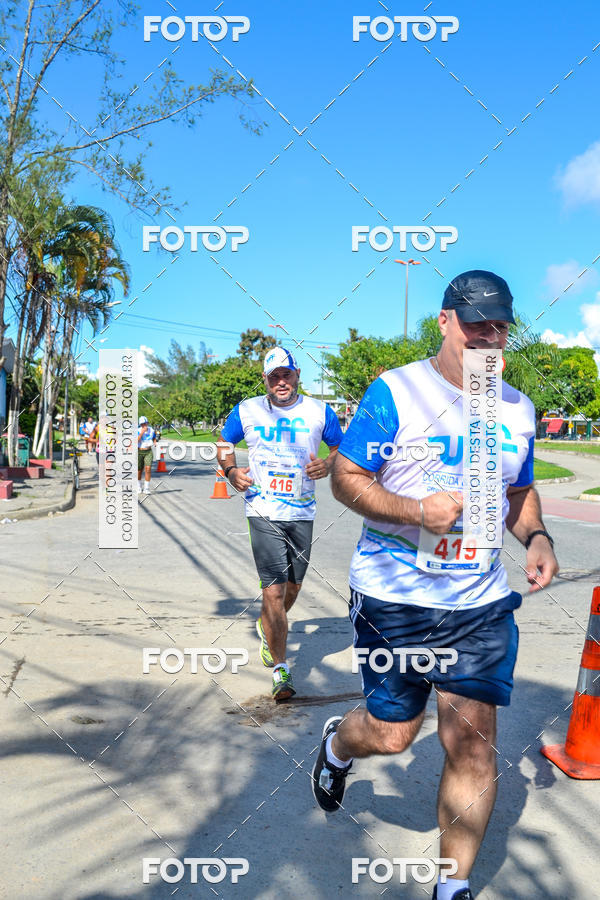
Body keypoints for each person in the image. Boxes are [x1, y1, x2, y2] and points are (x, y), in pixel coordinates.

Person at [310, 271, 559, 900]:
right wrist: (415, 511)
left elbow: (519, 493)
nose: (489, 339)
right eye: (476, 325)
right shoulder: (397, 392)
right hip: (394, 596)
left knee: (473, 750)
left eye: (500, 327)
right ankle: (340, 742)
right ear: (444, 321)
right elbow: (346, 477)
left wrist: (536, 537)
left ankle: (453, 890)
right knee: (395, 735)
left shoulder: (518, 409)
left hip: (477, 603)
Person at [217, 346, 343, 701]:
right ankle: (281, 669)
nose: (281, 382)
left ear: (297, 374)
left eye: (286, 374)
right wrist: (230, 471)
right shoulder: (248, 410)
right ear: (265, 380)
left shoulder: (320, 411)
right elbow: (224, 443)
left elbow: (339, 449)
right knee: (273, 591)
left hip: (302, 512)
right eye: (274, 377)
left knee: (292, 590)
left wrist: (329, 464)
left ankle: (266, 626)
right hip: (262, 510)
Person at [137, 415, 156, 495]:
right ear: (140, 425)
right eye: (142, 424)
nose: (144, 425)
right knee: (139, 470)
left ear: (147, 423)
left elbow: (154, 437)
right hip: (139, 451)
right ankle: (138, 487)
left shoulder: (151, 430)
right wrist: (141, 433)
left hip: (148, 451)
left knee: (148, 469)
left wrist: (155, 442)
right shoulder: (138, 430)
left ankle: (146, 488)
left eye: (145, 423)